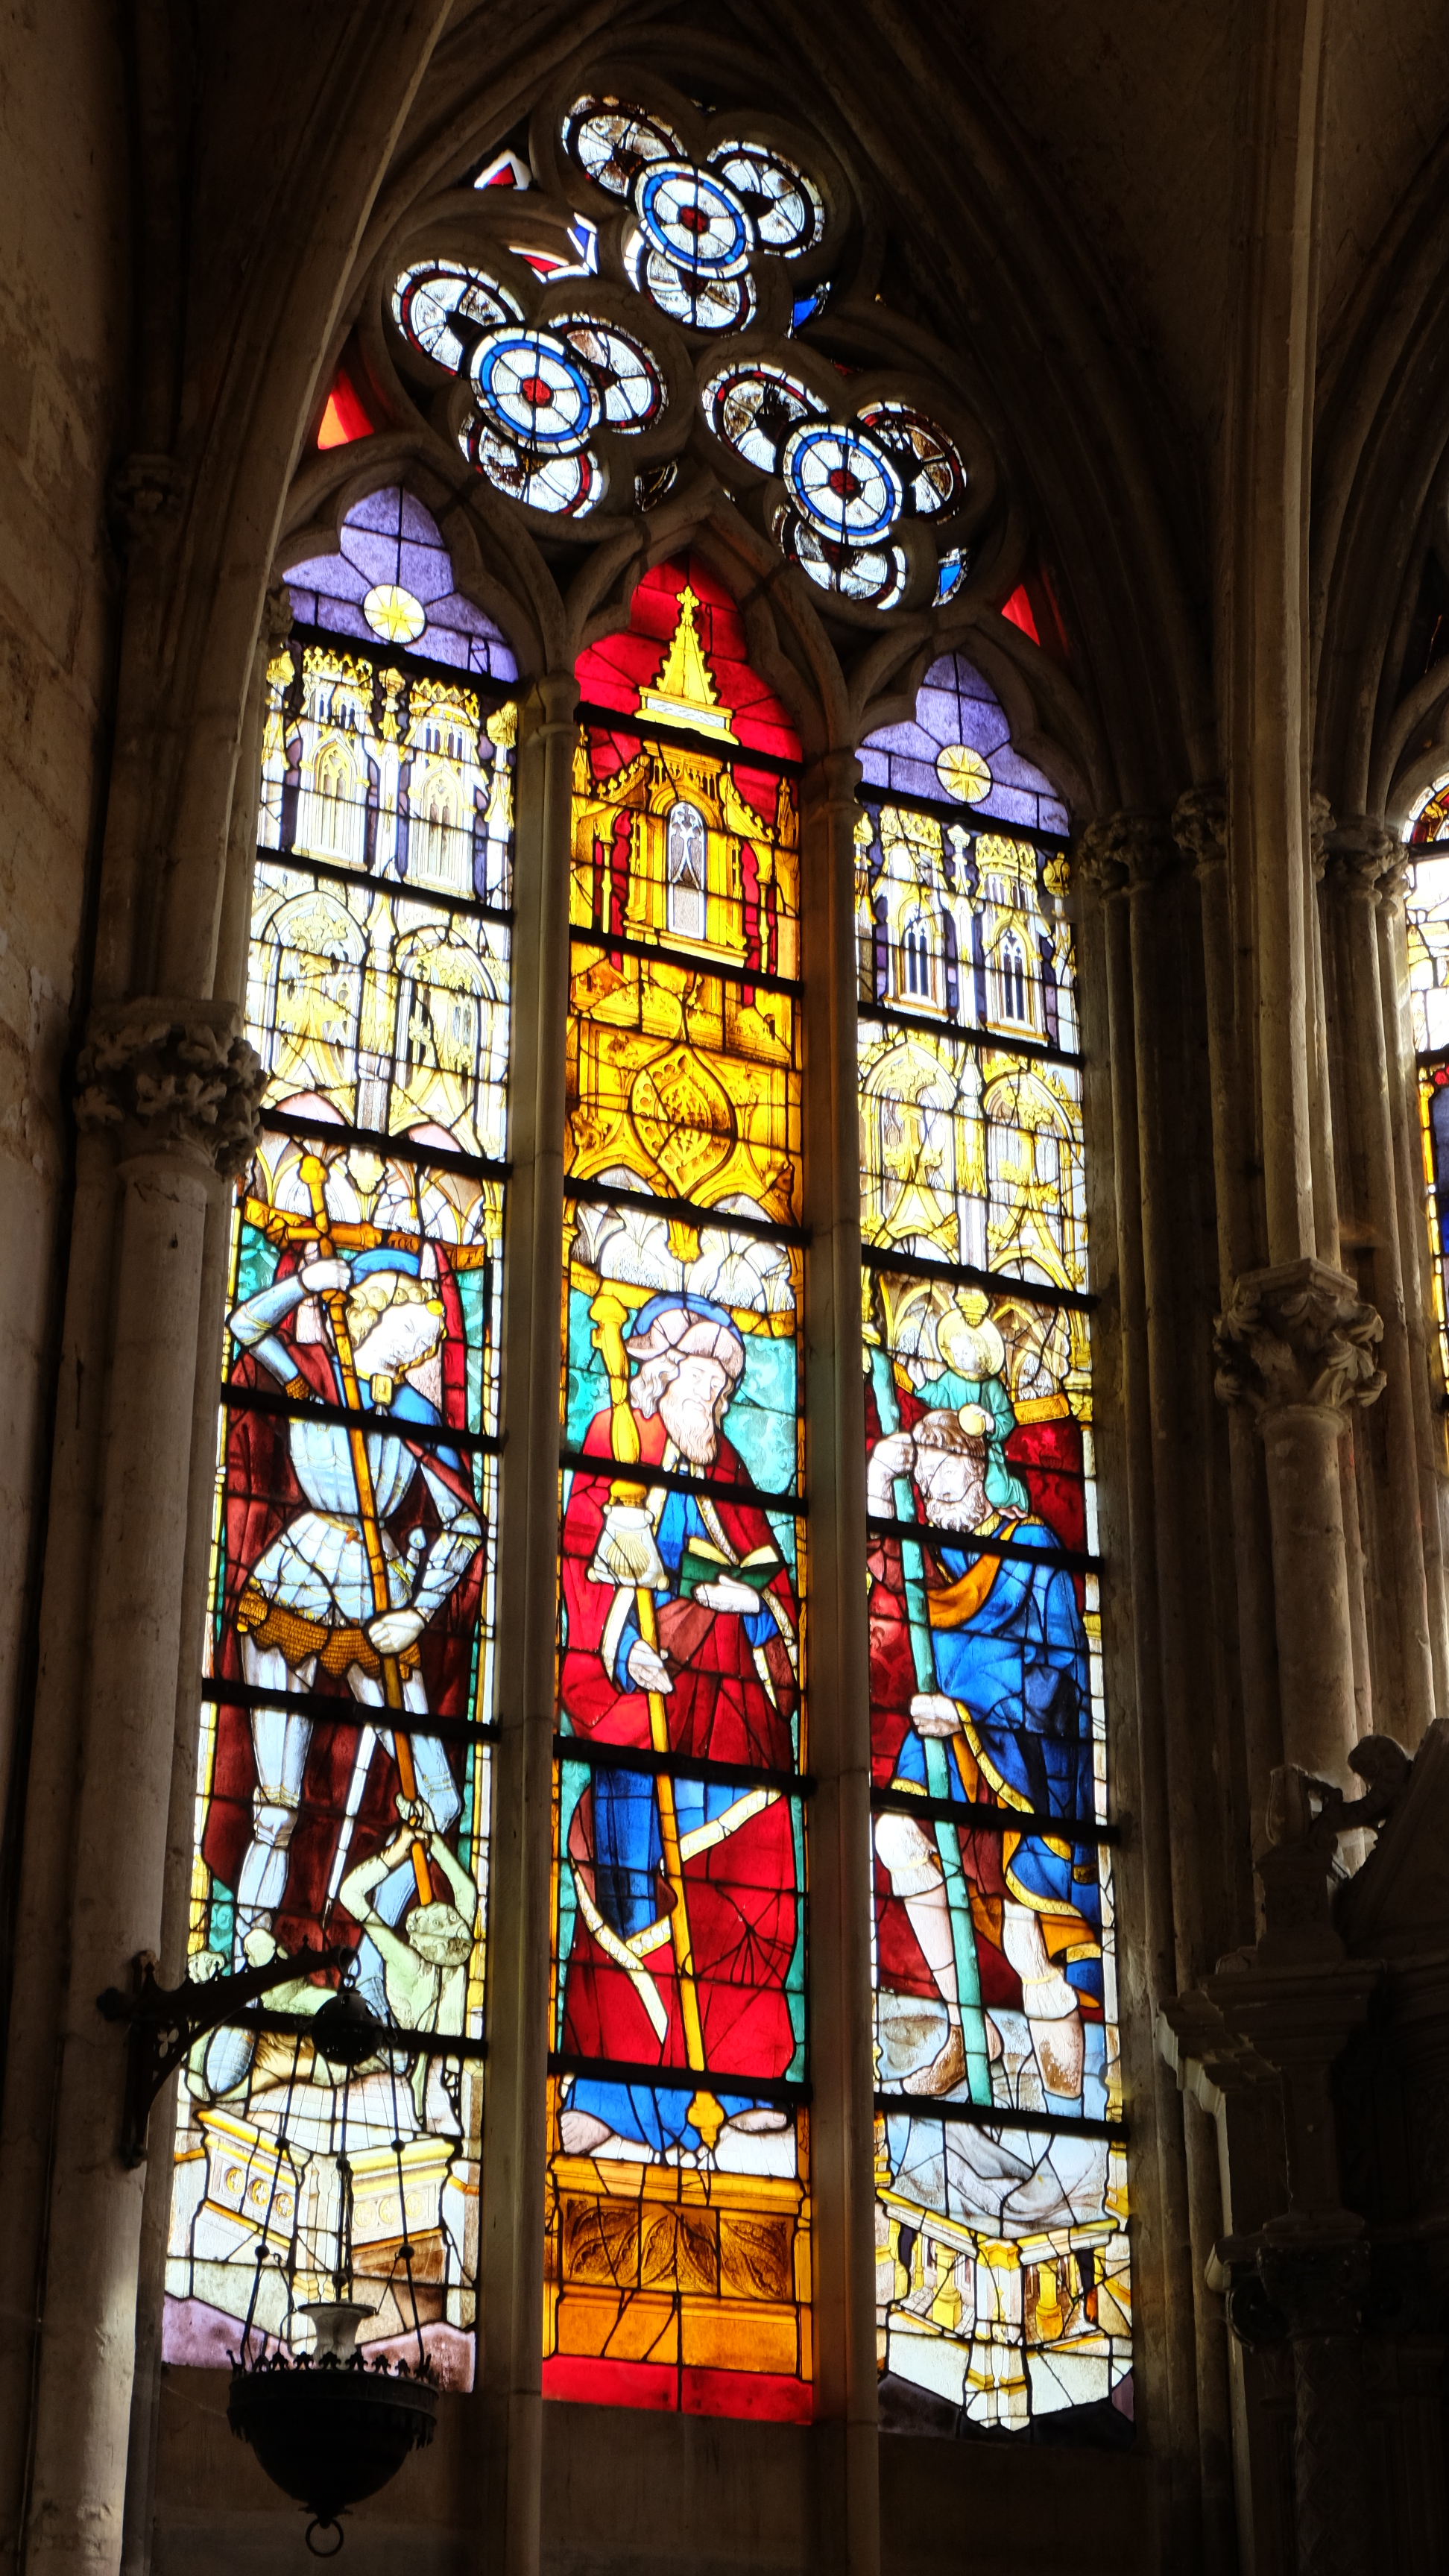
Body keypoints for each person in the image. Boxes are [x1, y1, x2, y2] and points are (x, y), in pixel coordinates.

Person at [556, 1292, 800, 2165]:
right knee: (634, 1893)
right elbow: (584, 1568)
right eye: (711, 1386)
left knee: (750, 1890)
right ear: (665, 1377)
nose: (723, 1407)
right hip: (646, 1721)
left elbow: (772, 1581)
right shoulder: (616, 1448)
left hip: (732, 1723)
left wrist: (760, 1609)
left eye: (731, 1392)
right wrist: (626, 1650)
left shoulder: (725, 1467)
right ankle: (618, 2093)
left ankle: (741, 2079)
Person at [204, 1240, 482, 1976]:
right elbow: (246, 1330)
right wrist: (304, 1284)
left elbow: (466, 1525)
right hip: (295, 1586)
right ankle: (247, 1963)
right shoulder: (312, 1389)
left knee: (440, 1799)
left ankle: (384, 1956)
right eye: (412, 1328)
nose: (426, 1341)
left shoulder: (417, 1419)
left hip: (379, 1603)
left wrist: (419, 1612)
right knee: (276, 1804)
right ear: (371, 1321)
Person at [868, 1408, 1099, 2103]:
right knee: (895, 1831)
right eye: (926, 1499)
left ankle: (1070, 2098)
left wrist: (968, 1713)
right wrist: (882, 1481)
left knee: (1031, 1935)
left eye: (943, 1489)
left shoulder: (1033, 1551)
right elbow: (889, 1572)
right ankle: (973, 2031)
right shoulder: (936, 1563)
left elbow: (1060, 1677)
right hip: (948, 1748)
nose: (934, 1509)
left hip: (1028, 1764)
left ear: (976, 1468)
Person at [339, 1798, 479, 2126]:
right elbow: (467, 1893)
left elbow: (350, 1896)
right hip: (415, 2029)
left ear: (419, 1942)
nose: (435, 1915)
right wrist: (430, 1835)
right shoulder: (457, 1949)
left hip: (390, 2028)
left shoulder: (410, 1963)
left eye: (436, 1922)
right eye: (445, 1917)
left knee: (370, 1955)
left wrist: (396, 1853)